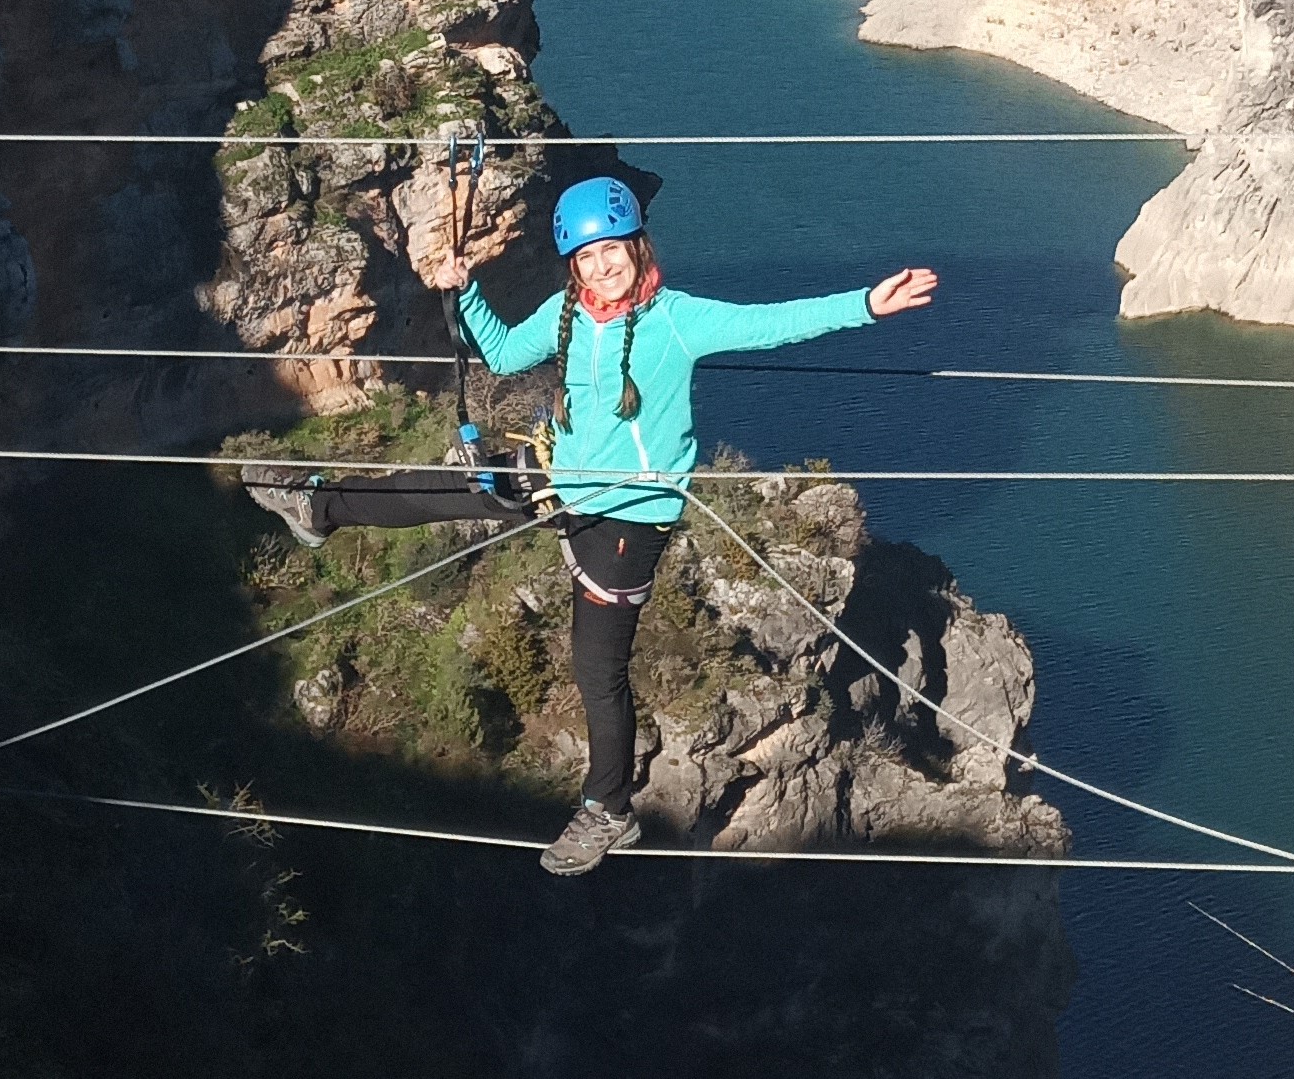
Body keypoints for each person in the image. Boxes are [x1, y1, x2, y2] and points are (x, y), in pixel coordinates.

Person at [241, 176, 936, 875]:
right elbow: (507, 354)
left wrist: (867, 304)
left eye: (615, 251)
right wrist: (466, 290)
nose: (604, 266)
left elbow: (771, 323)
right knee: (442, 488)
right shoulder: (567, 312)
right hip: (562, 475)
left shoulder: (676, 319)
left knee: (596, 667)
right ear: (573, 264)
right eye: (589, 255)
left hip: (628, 520)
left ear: (639, 248)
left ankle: (610, 809)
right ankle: (319, 508)